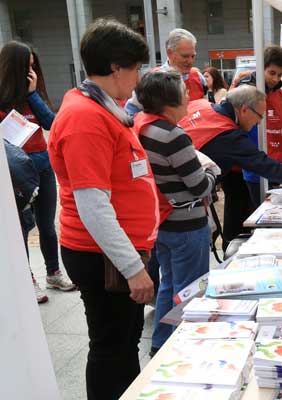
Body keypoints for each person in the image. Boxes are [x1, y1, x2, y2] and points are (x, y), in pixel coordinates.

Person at [48, 19, 158, 399]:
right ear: (116, 67)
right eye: (136, 67)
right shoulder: (85, 118)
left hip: (115, 250)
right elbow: (93, 205)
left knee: (123, 344)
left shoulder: (104, 108)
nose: (138, 76)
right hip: (103, 256)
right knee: (112, 347)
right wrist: (133, 268)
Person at [133, 70, 217, 355]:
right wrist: (212, 175)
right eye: (184, 93)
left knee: (168, 285)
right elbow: (198, 186)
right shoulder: (173, 135)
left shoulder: (141, 126)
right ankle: (183, 350)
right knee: (190, 289)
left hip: (161, 221)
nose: (189, 97)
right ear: (169, 102)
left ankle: (161, 344)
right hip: (186, 223)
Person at [179, 86, 282, 216]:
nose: (259, 122)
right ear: (244, 109)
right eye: (259, 116)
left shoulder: (202, 106)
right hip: (185, 204)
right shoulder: (229, 136)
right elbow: (269, 167)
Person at [0, 41, 75, 303]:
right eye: (26, 67)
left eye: (33, 66)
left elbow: (52, 124)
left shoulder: (33, 94)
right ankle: (27, 279)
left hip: (42, 165)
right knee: (22, 226)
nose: (31, 72)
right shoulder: (3, 97)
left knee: (47, 225)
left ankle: (53, 272)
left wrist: (32, 94)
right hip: (16, 172)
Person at [237, 45, 282, 209]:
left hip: (279, 166)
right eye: (272, 73)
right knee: (262, 215)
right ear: (261, 68)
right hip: (256, 170)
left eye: (280, 74)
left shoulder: (281, 95)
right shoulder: (244, 92)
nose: (276, 79)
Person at [125, 28, 207, 115]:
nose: (190, 61)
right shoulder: (152, 80)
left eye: (193, 56)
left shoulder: (198, 77)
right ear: (169, 53)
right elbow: (130, 111)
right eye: (185, 56)